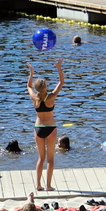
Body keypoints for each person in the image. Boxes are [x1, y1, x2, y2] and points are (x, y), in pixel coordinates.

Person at [27, 61, 65, 191]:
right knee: (50, 159)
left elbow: (28, 86)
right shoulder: (51, 97)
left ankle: (38, 185)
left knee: (40, 158)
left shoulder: (34, 97)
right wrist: (59, 68)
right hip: (50, 128)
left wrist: (31, 73)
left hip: (38, 129)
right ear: (45, 87)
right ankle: (48, 185)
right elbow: (61, 83)